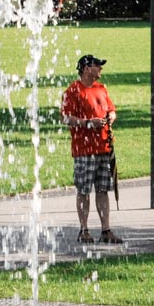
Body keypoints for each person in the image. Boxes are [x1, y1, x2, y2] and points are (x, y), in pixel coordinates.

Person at [61, 53, 122, 244]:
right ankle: (84, 229)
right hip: (84, 150)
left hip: (103, 147)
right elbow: (65, 118)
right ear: (87, 68)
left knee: (103, 189)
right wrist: (88, 123)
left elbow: (111, 110)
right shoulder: (73, 91)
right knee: (84, 190)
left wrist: (111, 117)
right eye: (97, 66)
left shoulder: (101, 89)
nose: (100, 69)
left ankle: (106, 230)